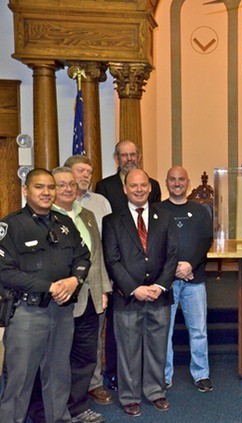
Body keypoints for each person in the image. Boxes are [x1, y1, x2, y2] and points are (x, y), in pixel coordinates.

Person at [0, 168, 91, 422]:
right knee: (19, 381)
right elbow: (5, 272)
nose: (47, 192)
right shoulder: (11, 226)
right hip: (27, 314)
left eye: (51, 187)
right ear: (25, 190)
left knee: (59, 375)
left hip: (61, 313)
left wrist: (75, 280)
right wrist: (49, 287)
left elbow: (83, 257)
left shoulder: (65, 224)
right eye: (39, 187)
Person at [28, 167, 112, 423]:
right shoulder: (42, 218)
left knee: (85, 357)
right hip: (58, 302)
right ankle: (44, 411)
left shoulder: (86, 215)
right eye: (61, 184)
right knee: (51, 359)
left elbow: (96, 257)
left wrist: (103, 289)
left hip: (89, 299)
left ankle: (76, 407)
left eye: (71, 184)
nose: (67, 189)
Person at [102, 169, 178, 417]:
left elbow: (172, 255)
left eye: (143, 185)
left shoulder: (165, 217)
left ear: (150, 188)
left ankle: (156, 392)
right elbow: (112, 260)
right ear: (125, 189)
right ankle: (129, 397)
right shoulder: (112, 221)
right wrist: (135, 288)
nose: (138, 189)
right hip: (128, 298)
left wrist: (158, 286)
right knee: (128, 350)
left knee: (157, 347)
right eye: (133, 185)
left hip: (160, 296)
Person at [95, 140, 161, 392]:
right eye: (124, 155)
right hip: (119, 265)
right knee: (116, 327)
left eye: (133, 154)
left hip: (147, 262)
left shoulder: (151, 185)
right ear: (117, 158)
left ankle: (146, 377)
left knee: (149, 329)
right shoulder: (104, 186)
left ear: (139, 156)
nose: (129, 158)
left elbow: (156, 222)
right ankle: (113, 373)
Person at [156, 166, 214, 392]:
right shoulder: (156, 210)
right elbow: (154, 244)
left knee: (198, 330)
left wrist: (190, 264)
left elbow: (205, 241)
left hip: (194, 279)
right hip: (165, 282)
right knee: (164, 331)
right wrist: (173, 269)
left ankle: (201, 374)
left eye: (181, 179)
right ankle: (164, 375)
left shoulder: (200, 211)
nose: (177, 183)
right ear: (166, 182)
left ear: (187, 182)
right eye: (172, 179)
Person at [64, 155, 114, 406]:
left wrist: (105, 287)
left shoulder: (99, 205)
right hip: (65, 292)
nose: (86, 175)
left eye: (89, 172)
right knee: (64, 344)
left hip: (95, 285)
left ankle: (93, 384)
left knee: (92, 341)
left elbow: (103, 250)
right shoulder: (55, 208)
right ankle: (64, 392)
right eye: (81, 170)